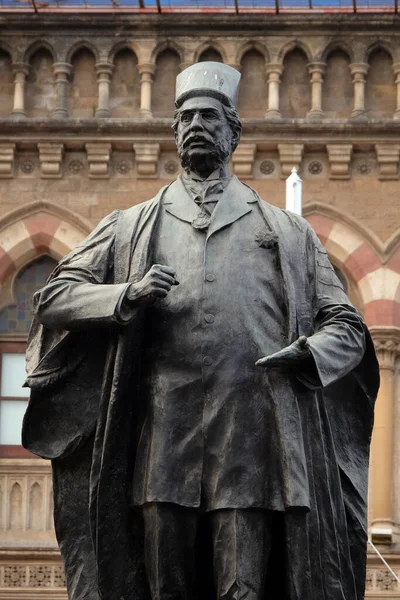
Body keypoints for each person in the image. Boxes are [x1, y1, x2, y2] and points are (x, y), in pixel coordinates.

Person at [22, 63, 379, 600]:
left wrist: (308, 355)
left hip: (254, 447)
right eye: (185, 116)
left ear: (233, 132)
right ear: (173, 131)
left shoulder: (285, 231)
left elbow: (347, 325)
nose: (196, 125)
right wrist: (125, 295)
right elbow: (52, 297)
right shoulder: (130, 225)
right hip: (162, 442)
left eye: (209, 116)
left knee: (245, 588)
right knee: (164, 586)